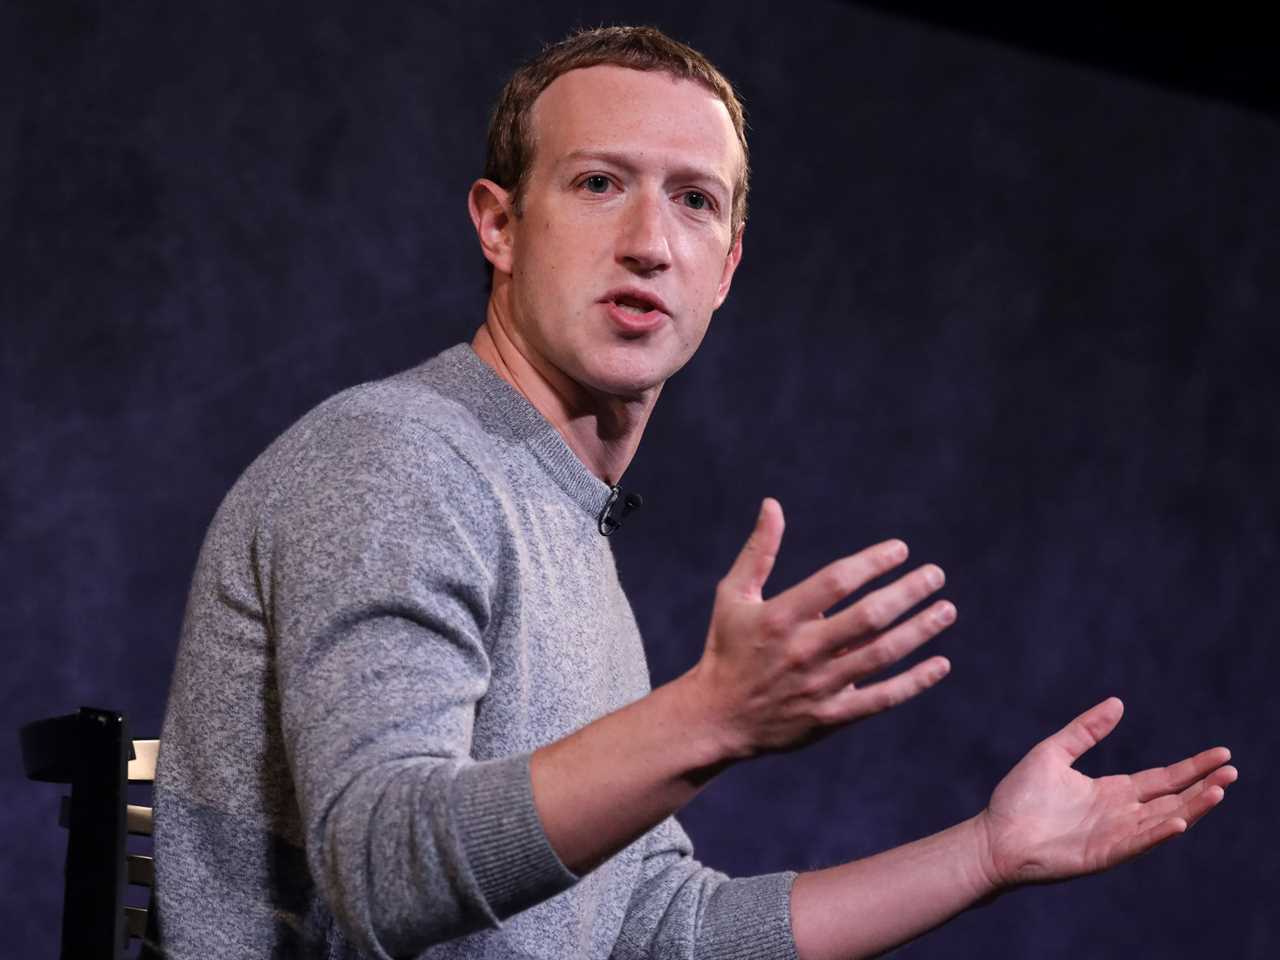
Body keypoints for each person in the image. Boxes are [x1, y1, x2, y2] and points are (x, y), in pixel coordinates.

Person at [152, 25, 1236, 960]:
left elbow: (657, 931)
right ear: (497, 224)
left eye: (692, 201)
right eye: (595, 183)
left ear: (725, 266)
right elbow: (381, 866)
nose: (647, 244)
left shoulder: (567, 538)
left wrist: (988, 852)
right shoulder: (396, 459)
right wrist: (708, 718)